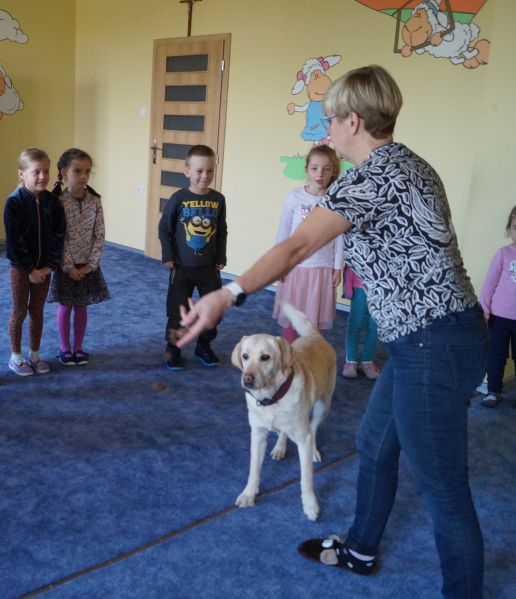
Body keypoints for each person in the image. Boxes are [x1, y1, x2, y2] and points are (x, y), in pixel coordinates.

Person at [178, 65, 489, 598]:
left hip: (433, 343)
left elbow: (298, 246)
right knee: (375, 443)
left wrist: (228, 294)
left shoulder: (369, 179)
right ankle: (361, 549)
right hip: (428, 339)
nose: (326, 130)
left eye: (330, 119)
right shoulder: (411, 164)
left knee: (442, 485)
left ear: (354, 121)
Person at [158, 144, 227, 371]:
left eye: (210, 171)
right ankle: (173, 348)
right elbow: (164, 229)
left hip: (209, 268)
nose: (204, 176)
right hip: (181, 268)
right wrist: (168, 255)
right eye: (199, 171)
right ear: (187, 171)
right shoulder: (178, 198)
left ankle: (203, 346)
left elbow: (222, 231)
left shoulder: (219, 199)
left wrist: (221, 255)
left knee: (213, 311)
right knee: (177, 312)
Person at [3, 147, 65, 376]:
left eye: (46, 171)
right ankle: (16, 356)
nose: (42, 176)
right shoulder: (14, 203)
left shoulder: (52, 201)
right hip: (21, 269)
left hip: (45, 268)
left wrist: (49, 266)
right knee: (19, 311)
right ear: (22, 173)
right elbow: (14, 241)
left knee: (37, 311)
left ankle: (35, 354)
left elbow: (59, 235)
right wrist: (30, 269)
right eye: (36, 172)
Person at [272, 144, 343, 343]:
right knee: (292, 317)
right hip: (295, 267)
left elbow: (340, 236)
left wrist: (338, 267)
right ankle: (290, 353)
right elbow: (284, 230)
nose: (320, 174)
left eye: (326, 169)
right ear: (307, 170)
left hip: (322, 269)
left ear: (333, 172)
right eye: (315, 168)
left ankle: (313, 354)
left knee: (315, 321)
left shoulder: (335, 199)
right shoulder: (294, 196)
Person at [48, 148, 110, 366]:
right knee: (66, 306)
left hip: (87, 265)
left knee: (82, 305)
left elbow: (100, 235)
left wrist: (91, 265)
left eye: (87, 171)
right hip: (67, 266)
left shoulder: (95, 200)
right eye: (77, 171)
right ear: (64, 173)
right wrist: (67, 266)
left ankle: (79, 347)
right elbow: (57, 237)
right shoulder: (58, 201)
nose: (83, 176)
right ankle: (65, 348)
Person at [478, 205, 516, 408]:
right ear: (509, 229)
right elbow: (489, 284)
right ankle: (493, 391)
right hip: (499, 316)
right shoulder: (503, 254)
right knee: (496, 355)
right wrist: (484, 309)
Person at [341, 264, 381, 380]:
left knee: (374, 326)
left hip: (379, 287)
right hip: (359, 286)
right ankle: (351, 361)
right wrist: (348, 285)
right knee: (355, 324)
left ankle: (367, 362)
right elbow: (351, 262)